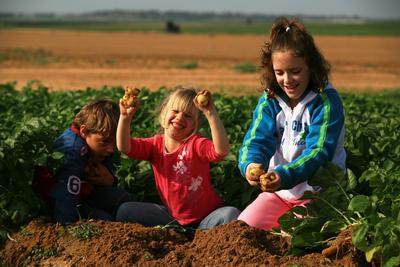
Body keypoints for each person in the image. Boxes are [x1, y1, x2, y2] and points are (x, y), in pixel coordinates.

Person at [237, 17, 346, 230]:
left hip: (318, 193)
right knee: (243, 229)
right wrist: (250, 165)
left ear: (311, 67)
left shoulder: (325, 101)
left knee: (298, 239)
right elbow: (257, 140)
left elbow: (319, 152)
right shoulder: (270, 99)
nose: (287, 80)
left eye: (295, 71)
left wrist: (283, 175)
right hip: (279, 193)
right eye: (279, 72)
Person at [116, 86, 240, 230]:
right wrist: (125, 118)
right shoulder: (155, 146)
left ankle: (203, 239)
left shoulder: (196, 144)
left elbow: (221, 151)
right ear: (163, 113)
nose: (180, 117)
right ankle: (179, 236)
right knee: (125, 210)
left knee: (231, 213)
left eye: (188, 116)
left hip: (206, 220)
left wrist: (211, 113)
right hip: (172, 219)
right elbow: (125, 147)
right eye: (175, 111)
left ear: (195, 124)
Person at [51, 99, 132, 225]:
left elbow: (107, 176)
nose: (111, 149)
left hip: (85, 194)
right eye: (105, 141)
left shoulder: (99, 143)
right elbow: (65, 196)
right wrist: (67, 227)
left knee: (123, 198)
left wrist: (111, 180)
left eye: (115, 142)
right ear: (84, 131)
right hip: (61, 201)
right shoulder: (72, 151)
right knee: (107, 222)